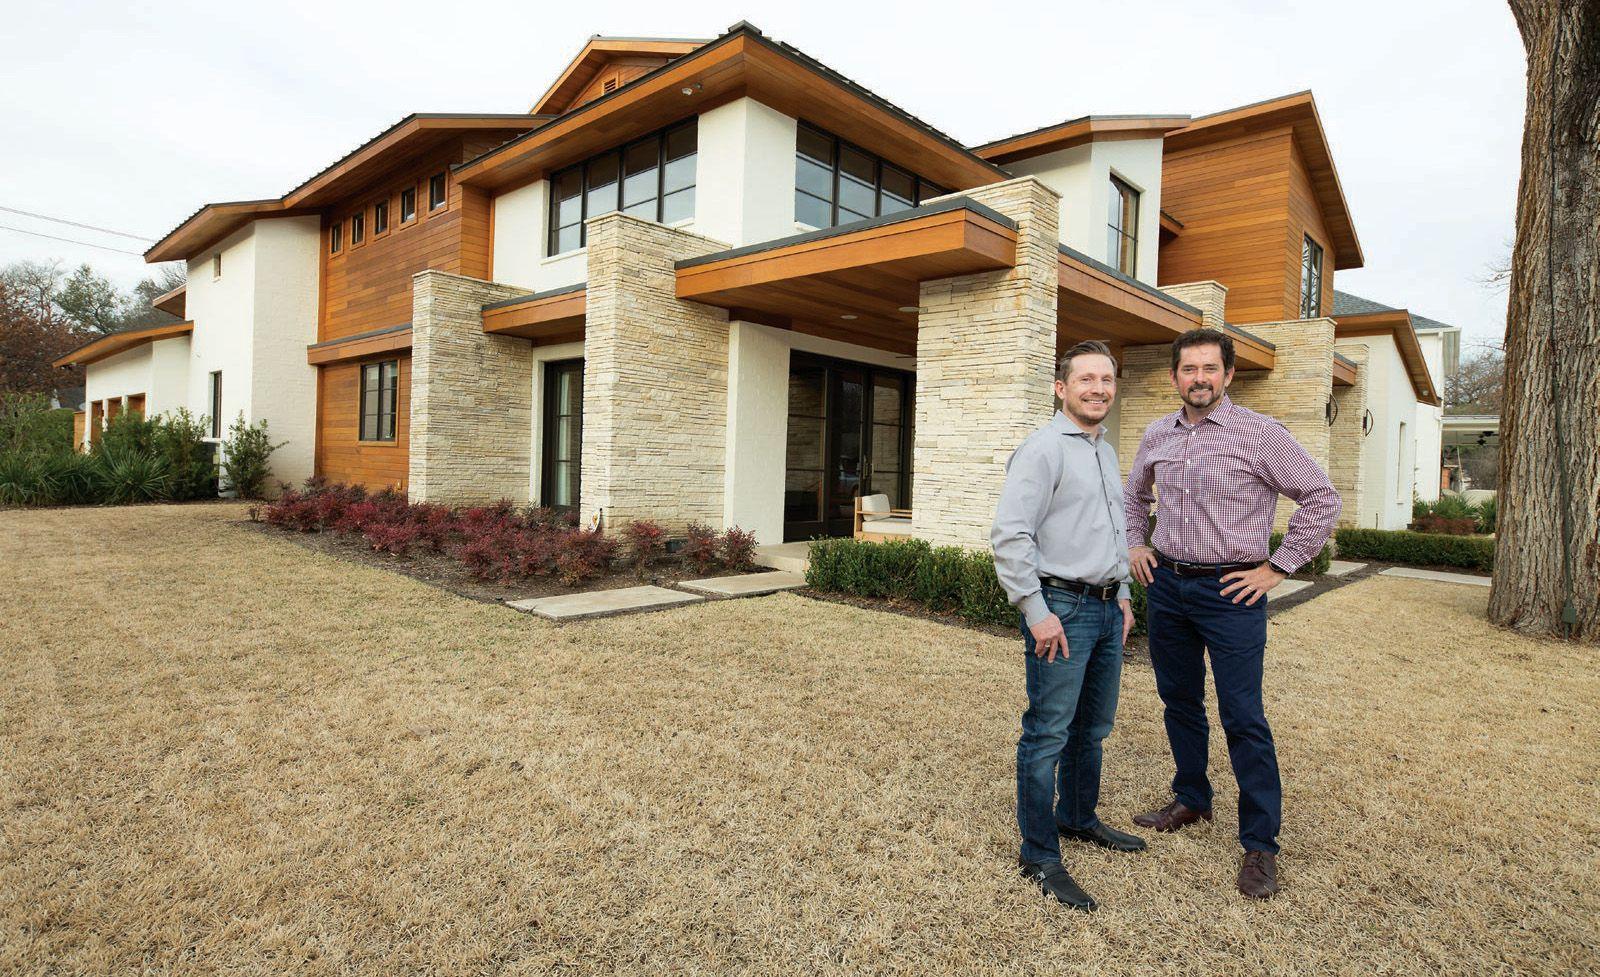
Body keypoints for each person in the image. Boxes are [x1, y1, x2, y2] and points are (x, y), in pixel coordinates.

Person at [1123, 327, 1341, 899]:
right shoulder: (1157, 433)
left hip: (1232, 593)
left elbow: (1321, 497)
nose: (1199, 379)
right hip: (1167, 586)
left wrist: (1278, 568)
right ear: (1175, 376)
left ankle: (1260, 845)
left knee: (1243, 716)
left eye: (1209, 369)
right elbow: (1134, 495)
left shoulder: (1260, 433)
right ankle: (1192, 798)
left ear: (1228, 374)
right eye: (1189, 369)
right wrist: (1135, 543)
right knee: (1179, 701)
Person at [991, 340, 1142, 912]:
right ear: (1061, 388)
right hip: (1061, 609)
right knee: (1048, 732)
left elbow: (1112, 529)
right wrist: (1037, 612)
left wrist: (1122, 596)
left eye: (1107, 380)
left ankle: (1077, 816)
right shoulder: (1043, 450)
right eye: (1086, 379)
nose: (1099, 389)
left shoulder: (1103, 449)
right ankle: (1039, 854)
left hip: (1105, 609)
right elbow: (1011, 537)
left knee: (1093, 728)